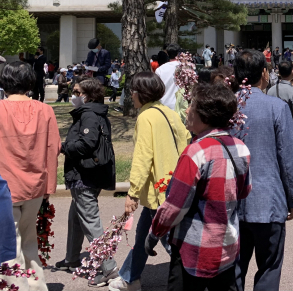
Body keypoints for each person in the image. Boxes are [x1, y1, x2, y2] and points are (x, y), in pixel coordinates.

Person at [146, 83, 251, 291]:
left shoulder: (195, 152)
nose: (186, 109)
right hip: (227, 246)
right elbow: (244, 191)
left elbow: (175, 206)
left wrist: (154, 233)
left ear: (204, 115)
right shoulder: (240, 148)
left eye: (191, 105)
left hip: (193, 250)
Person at [108, 72, 190, 291]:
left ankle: (195, 280)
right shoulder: (169, 112)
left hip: (159, 191)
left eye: (132, 91)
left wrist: (132, 193)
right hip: (174, 184)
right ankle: (129, 277)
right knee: (144, 234)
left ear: (141, 93)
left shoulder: (145, 117)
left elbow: (143, 157)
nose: (131, 96)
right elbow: (186, 140)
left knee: (168, 241)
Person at [233, 50, 293, 291]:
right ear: (263, 73)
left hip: (231, 200)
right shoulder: (277, 107)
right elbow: (288, 159)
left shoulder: (227, 106)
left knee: (233, 269)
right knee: (269, 267)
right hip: (268, 200)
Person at [0, 61, 60, 291]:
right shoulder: (45, 110)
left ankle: (17, 287)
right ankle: (36, 285)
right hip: (35, 185)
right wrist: (49, 187)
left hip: (5, 187)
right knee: (28, 240)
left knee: (9, 244)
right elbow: (52, 149)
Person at [55, 76, 118, 286]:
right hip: (89, 174)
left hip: (85, 176)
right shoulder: (93, 112)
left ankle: (108, 267)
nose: (73, 96)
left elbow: (86, 144)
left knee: (90, 221)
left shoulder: (89, 114)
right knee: (76, 217)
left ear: (86, 95)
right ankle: (72, 259)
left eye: (76, 92)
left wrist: (62, 148)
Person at [155, 43, 181, 111]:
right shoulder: (186, 67)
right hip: (180, 105)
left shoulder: (160, 69)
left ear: (167, 54)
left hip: (163, 104)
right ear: (179, 54)